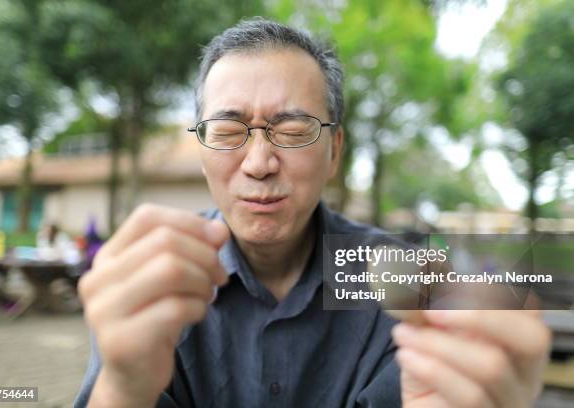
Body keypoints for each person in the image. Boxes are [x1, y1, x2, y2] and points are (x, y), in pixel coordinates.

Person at [74, 18, 551, 408]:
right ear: (202, 151)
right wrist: (120, 390)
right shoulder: (151, 280)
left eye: (294, 129)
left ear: (335, 151)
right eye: (227, 130)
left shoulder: (410, 280)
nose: (259, 164)